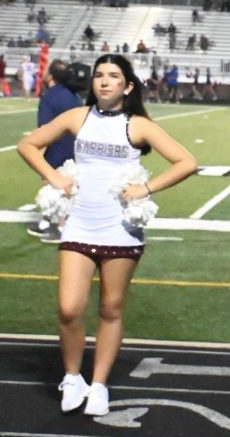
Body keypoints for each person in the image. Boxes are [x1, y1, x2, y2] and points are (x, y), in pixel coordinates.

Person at [17, 54, 197, 416]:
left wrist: (146, 189)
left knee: (110, 308)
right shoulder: (77, 118)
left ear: (127, 86)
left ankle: (98, 383)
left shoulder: (138, 125)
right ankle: (72, 377)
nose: (103, 81)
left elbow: (186, 162)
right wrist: (55, 178)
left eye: (113, 76)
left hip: (121, 230)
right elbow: (28, 145)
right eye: (99, 75)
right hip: (79, 224)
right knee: (69, 308)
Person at [27, 59, 82, 242]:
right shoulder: (74, 96)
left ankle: (60, 227)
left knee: (53, 187)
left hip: (56, 148)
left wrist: (38, 155)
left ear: (50, 75)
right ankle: (47, 223)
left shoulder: (49, 97)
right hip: (75, 148)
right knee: (66, 187)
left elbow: (44, 130)